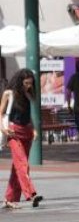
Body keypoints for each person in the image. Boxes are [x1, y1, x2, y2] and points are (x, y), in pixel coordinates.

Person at [2, 69, 42, 209]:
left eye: (30, 84)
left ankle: (9, 198)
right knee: (23, 164)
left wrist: (34, 129)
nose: (28, 86)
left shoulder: (27, 94)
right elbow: (0, 113)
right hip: (13, 132)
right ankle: (31, 194)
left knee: (17, 167)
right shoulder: (9, 93)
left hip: (27, 132)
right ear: (20, 81)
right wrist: (3, 130)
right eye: (26, 83)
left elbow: (27, 115)